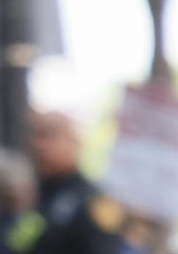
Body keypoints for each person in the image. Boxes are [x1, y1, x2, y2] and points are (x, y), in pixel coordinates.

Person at [22, 108, 127, 254]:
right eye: (34, 134)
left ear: (74, 141)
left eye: (48, 135)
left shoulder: (96, 201)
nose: (38, 144)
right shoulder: (27, 194)